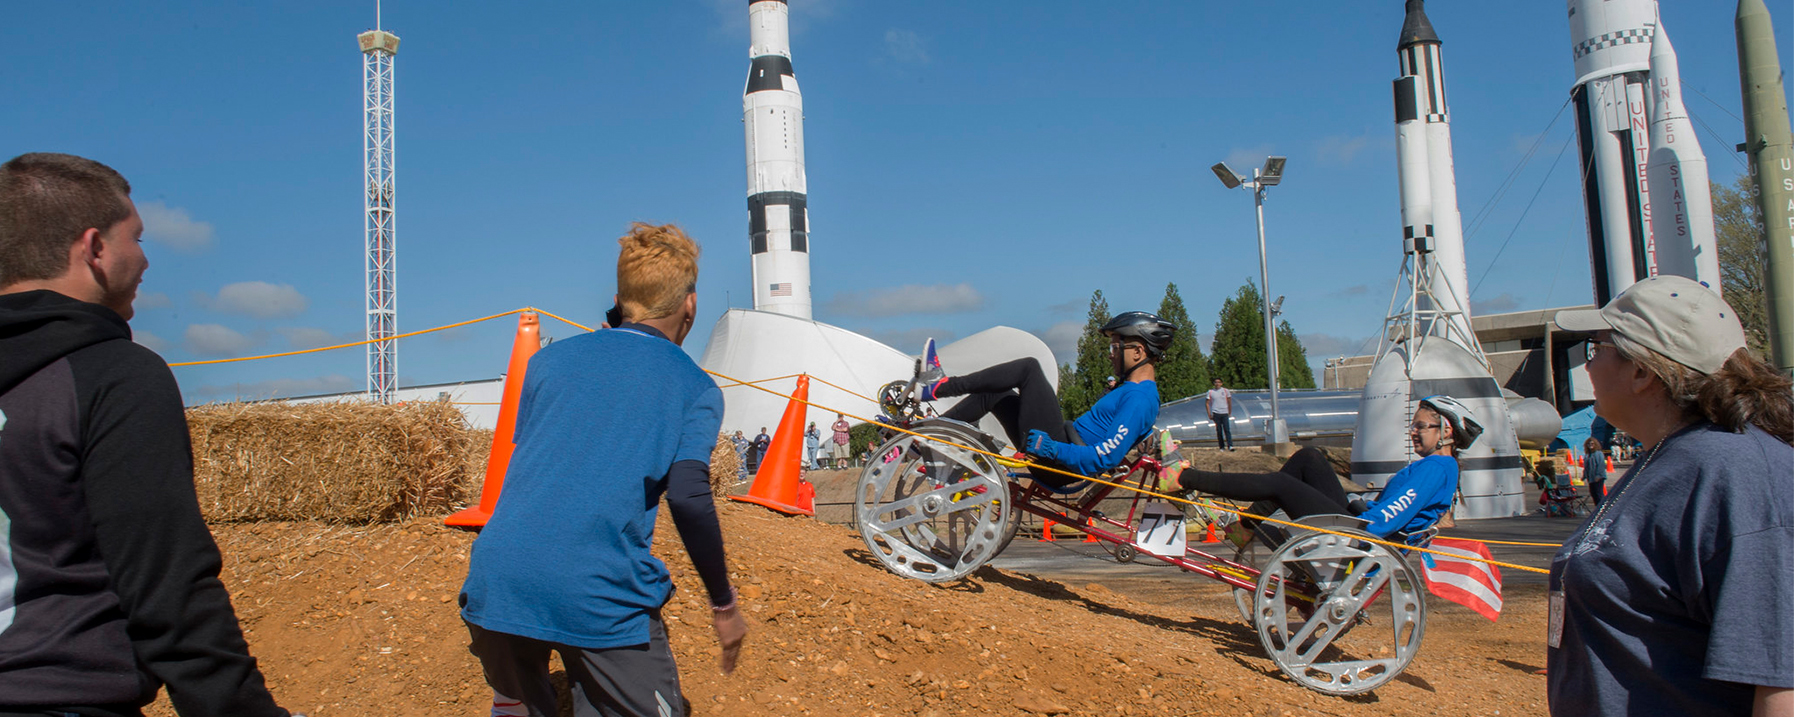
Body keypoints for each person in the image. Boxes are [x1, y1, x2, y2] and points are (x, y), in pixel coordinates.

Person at [0, 153, 296, 715]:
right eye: (135, 238)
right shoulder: (110, 373)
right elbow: (168, 589)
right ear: (94, 249)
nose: (145, 260)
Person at [459, 222, 746, 717]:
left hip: (496, 581)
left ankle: (513, 696)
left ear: (619, 298)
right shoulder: (694, 387)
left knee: (520, 694)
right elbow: (689, 497)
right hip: (597, 593)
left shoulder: (547, 363)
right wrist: (723, 604)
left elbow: (538, 461)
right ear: (691, 304)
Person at [1547, 276, 1792, 717]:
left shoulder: (1737, 474)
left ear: (1641, 371)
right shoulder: (1668, 457)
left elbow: (1781, 683)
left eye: (1596, 349)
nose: (1587, 366)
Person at [910, 311, 1176, 485]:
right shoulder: (1129, 390)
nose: (1110, 354)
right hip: (1058, 450)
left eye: (1115, 346)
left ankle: (938, 387)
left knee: (1029, 369)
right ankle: (923, 439)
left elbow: (1105, 458)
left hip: (1059, 462)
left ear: (1138, 352)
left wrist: (1052, 448)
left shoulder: (1140, 398)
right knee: (996, 393)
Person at [1175, 395, 1477, 544]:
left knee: (1281, 484)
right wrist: (1363, 505)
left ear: (1446, 432)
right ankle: (1245, 528)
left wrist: (1363, 515)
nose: (1413, 432)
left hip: (1361, 539)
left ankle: (1185, 477)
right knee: (1308, 458)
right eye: (1413, 426)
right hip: (1361, 526)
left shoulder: (1437, 467)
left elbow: (1390, 516)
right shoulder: (1437, 466)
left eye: (1421, 426)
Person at [1205, 377, 1239, 451]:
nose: (1217, 384)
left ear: (1221, 383)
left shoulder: (1225, 391)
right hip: (1216, 412)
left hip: (1224, 412)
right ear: (1214, 383)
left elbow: (1229, 401)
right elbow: (1207, 403)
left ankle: (1230, 445)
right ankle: (1221, 446)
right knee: (1219, 430)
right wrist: (1209, 413)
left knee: (1227, 429)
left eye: (1219, 382)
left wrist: (1229, 411)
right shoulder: (1210, 392)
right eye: (1215, 382)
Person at [1580, 437, 1608, 505]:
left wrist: (1598, 475)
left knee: (1599, 493)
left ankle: (1602, 508)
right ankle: (1597, 508)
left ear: (1595, 444)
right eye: (1588, 444)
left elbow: (1601, 465)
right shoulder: (1587, 455)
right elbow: (1586, 467)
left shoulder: (1598, 453)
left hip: (1598, 477)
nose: (1590, 445)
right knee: (1593, 493)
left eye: (1592, 443)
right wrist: (1584, 476)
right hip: (1591, 477)